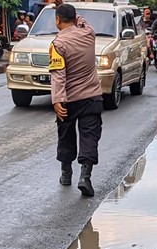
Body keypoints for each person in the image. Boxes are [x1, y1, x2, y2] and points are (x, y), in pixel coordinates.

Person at [49, 0, 104, 197]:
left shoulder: (58, 44)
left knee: (66, 134)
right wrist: (66, 7)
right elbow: (81, 21)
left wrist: (57, 100)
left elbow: (58, 75)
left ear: (57, 20)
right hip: (92, 96)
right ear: (74, 18)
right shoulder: (89, 34)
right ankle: (85, 176)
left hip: (68, 100)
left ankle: (66, 174)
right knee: (90, 136)